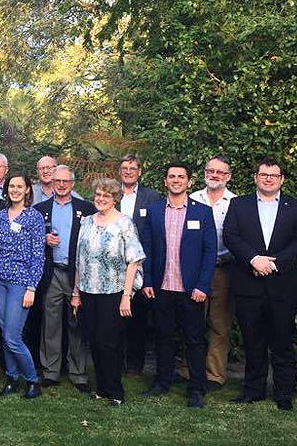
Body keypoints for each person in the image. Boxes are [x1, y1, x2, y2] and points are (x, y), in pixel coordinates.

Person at [223, 158, 297, 411]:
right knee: (252, 341)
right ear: (256, 177)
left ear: (281, 179)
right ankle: (253, 390)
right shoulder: (238, 205)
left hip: (282, 285)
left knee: (282, 341)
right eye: (264, 174)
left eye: (274, 175)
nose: (268, 179)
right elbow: (230, 235)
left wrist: (272, 263)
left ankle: (284, 392)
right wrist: (253, 259)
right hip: (248, 285)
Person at [139, 162, 217, 408]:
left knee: (194, 339)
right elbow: (147, 248)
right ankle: (162, 382)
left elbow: (209, 251)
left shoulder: (202, 212)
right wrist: (147, 280)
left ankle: (196, 388)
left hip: (191, 289)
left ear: (189, 182)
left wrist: (203, 285)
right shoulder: (154, 210)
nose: (176, 180)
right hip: (161, 287)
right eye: (171, 176)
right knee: (163, 338)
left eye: (181, 177)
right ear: (165, 181)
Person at [71, 178, 145, 407]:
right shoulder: (87, 222)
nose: (101, 199)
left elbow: (134, 261)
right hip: (87, 290)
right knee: (94, 341)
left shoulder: (124, 223)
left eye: (106, 196)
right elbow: (79, 260)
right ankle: (102, 389)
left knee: (108, 342)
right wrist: (75, 293)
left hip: (114, 292)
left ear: (115, 199)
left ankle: (116, 392)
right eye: (98, 195)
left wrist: (126, 296)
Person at [31, 165, 96, 391]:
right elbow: (30, 241)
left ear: (72, 184)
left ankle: (78, 374)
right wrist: (43, 239)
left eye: (65, 181)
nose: (60, 184)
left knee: (76, 323)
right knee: (50, 324)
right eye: (57, 180)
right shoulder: (40, 209)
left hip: (76, 274)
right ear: (52, 182)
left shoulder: (86, 209)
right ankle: (50, 371)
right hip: (52, 273)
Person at [0, 172, 44, 399]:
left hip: (21, 282)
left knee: (12, 336)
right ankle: (11, 378)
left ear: (28, 190)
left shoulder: (34, 218)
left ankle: (32, 380)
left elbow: (39, 256)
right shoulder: (1, 215)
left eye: (20, 186)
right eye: (11, 186)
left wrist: (31, 288)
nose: (15, 190)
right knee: (4, 329)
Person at [187, 156, 237, 389]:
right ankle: (190, 370)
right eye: (211, 170)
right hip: (196, 270)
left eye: (220, 172)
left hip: (224, 270)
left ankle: (214, 375)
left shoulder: (235, 203)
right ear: (205, 172)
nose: (215, 175)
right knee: (193, 322)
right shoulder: (192, 199)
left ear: (228, 176)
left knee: (219, 323)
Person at [118, 153, 162, 377]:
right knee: (115, 318)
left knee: (137, 317)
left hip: (142, 265)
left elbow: (156, 233)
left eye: (132, 168)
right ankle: (116, 362)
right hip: (114, 267)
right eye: (124, 167)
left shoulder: (152, 198)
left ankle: (135, 366)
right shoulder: (110, 194)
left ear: (139, 172)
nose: (128, 171)